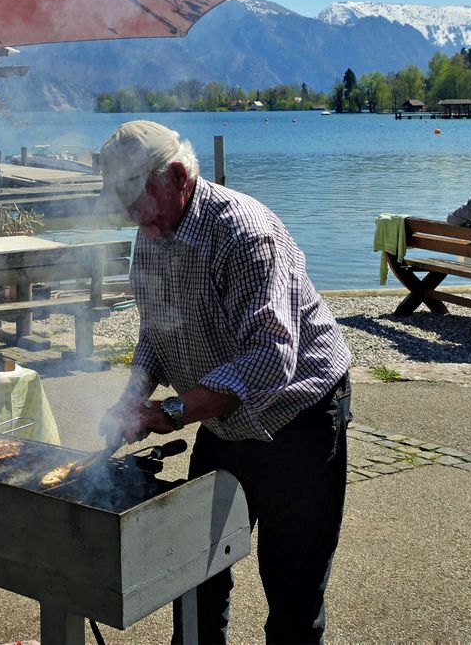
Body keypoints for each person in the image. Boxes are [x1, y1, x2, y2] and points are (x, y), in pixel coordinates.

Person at [96, 120, 352, 644]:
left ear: (175, 176)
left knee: (293, 590)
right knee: (196, 573)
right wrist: (131, 401)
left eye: (134, 197)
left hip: (296, 421)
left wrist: (168, 413)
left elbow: (269, 359)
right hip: (221, 421)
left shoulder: (242, 232)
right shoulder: (150, 236)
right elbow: (155, 336)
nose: (128, 215)